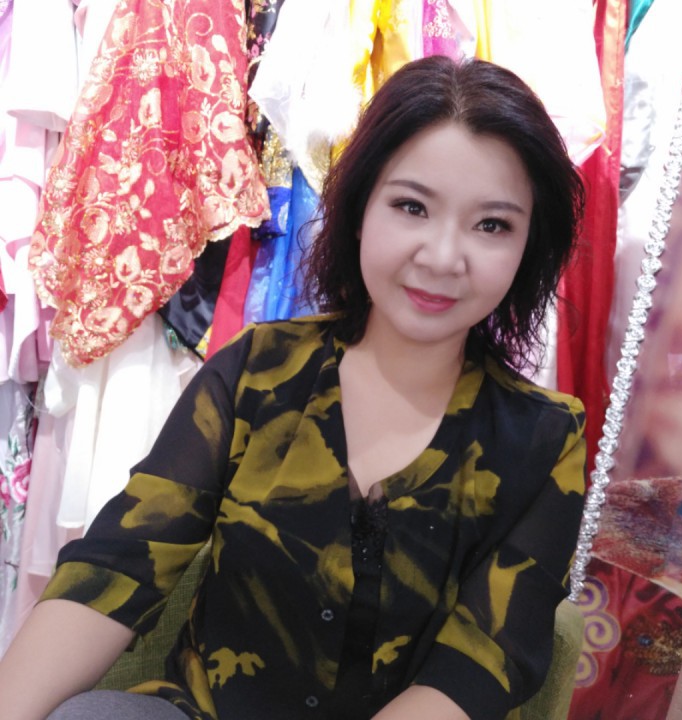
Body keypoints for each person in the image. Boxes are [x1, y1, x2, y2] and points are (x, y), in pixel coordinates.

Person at [0, 55, 587, 720]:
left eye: (492, 225)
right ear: (360, 208)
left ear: (528, 245)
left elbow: (482, 662)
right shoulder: (258, 369)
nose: (443, 257)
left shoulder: (544, 440)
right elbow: (121, 562)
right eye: (411, 207)